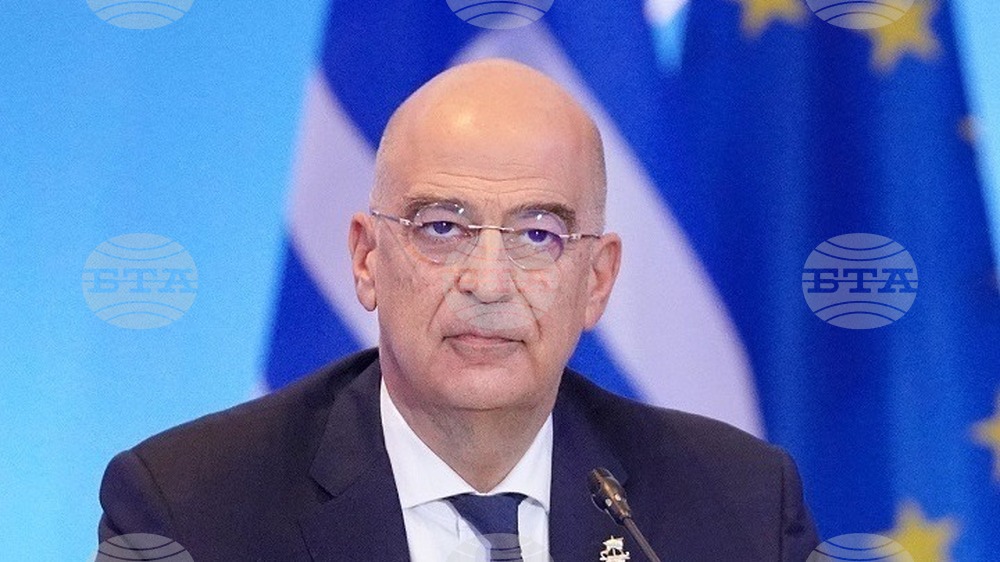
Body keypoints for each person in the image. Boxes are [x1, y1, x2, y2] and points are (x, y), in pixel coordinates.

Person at [98, 58, 819, 561]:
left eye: (538, 235)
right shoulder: (189, 511)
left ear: (596, 281)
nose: (489, 281)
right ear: (366, 260)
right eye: (442, 227)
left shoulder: (743, 507)